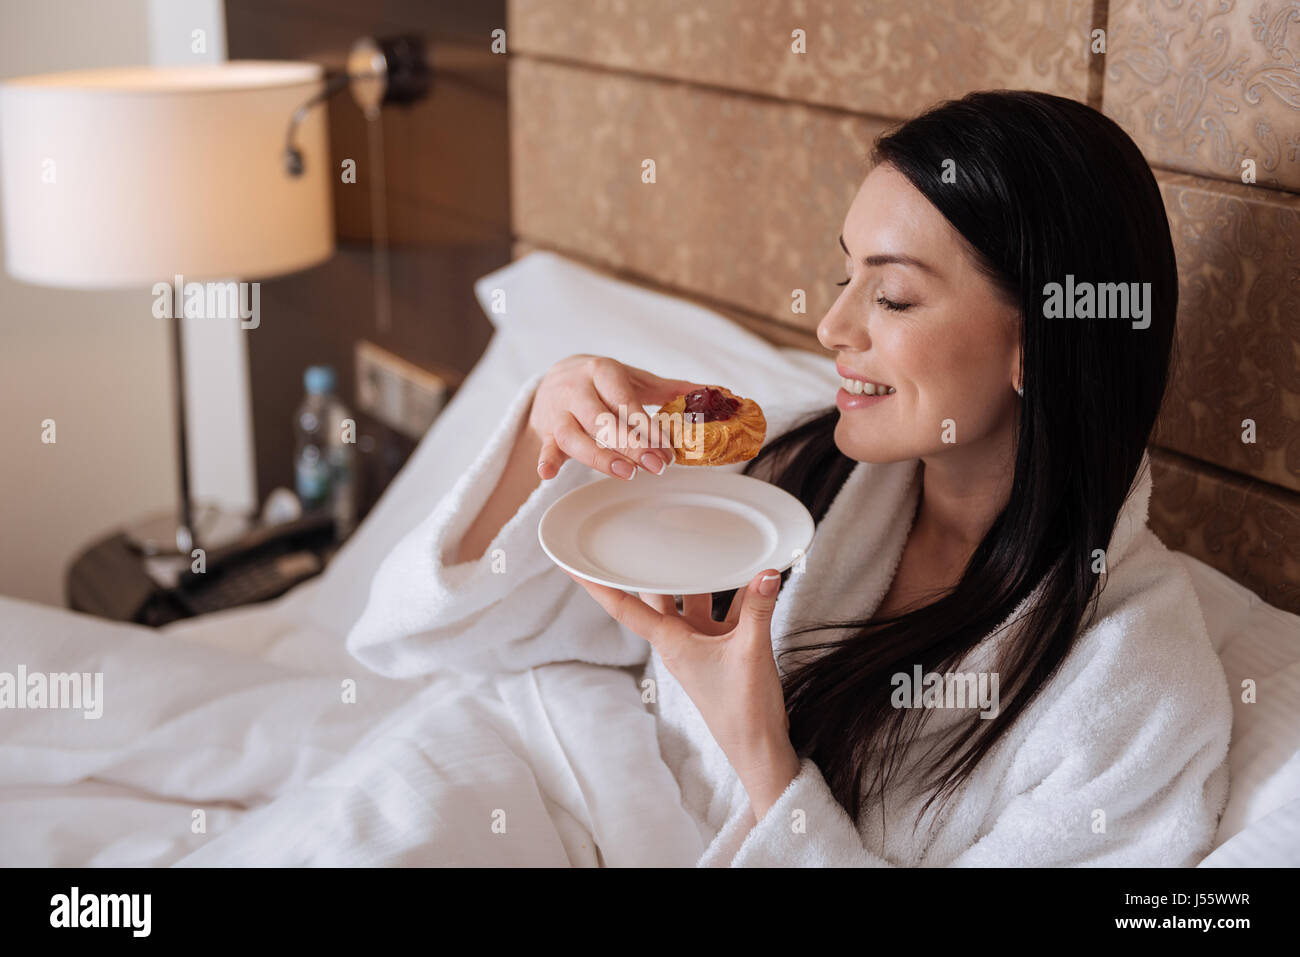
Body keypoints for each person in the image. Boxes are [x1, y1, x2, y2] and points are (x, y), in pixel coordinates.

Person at [350, 90, 1233, 867]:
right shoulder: (794, 473)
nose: (832, 326)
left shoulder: (1134, 686)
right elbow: (444, 637)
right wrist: (546, 426)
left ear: (1040, 341)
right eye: (841, 274)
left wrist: (763, 760)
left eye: (890, 297)